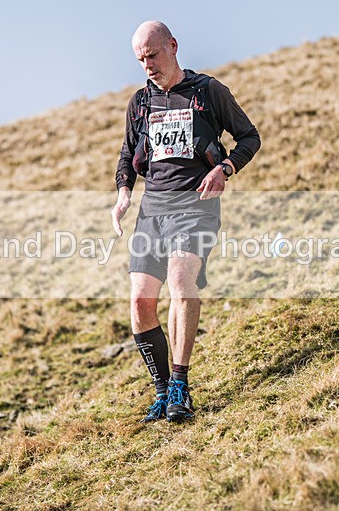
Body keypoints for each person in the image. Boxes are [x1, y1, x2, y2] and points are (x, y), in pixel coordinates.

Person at [111, 21, 260, 423]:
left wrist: (225, 168)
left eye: (153, 55)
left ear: (173, 46)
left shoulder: (208, 92)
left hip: (195, 207)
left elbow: (249, 137)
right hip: (153, 212)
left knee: (180, 282)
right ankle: (162, 392)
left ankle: (180, 384)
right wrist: (124, 192)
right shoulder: (140, 103)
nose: (148, 65)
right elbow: (127, 153)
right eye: (140, 60)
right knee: (140, 302)